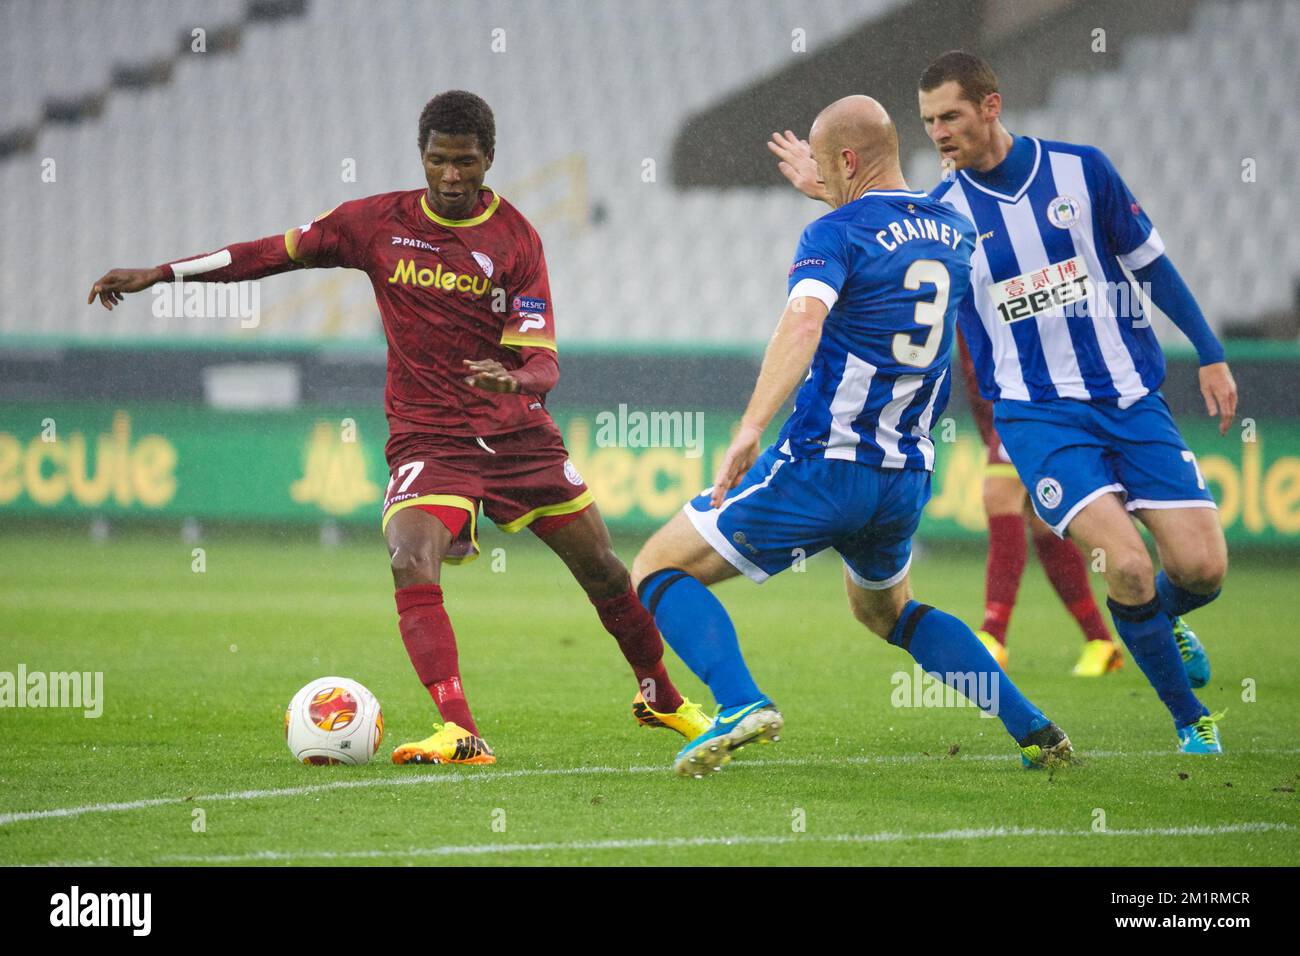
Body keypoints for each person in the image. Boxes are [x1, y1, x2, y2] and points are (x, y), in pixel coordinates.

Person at [88, 90, 709, 765]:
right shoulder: (374, 222)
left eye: (465, 162)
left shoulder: (516, 239)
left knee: (602, 569)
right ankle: (459, 729)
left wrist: (518, 380)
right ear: (422, 156)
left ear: (488, 160)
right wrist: (164, 274)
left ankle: (662, 698)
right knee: (409, 555)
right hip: (429, 437)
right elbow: (271, 253)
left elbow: (541, 357)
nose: (450, 176)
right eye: (438, 160)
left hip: (518, 437)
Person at [770, 51, 1232, 753]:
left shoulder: (1084, 172)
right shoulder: (946, 215)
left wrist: (1212, 352)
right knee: (1130, 567)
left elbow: (1153, 268)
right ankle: (1188, 720)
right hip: (1036, 414)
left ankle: (1163, 618)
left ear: (991, 105)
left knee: (1201, 570)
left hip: (1132, 399)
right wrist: (832, 190)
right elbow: (878, 238)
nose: (939, 133)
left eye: (950, 115)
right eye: (927, 122)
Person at [632, 95, 1072, 778]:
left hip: (823, 464)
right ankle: (1033, 727)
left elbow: (805, 322)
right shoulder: (954, 230)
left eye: (828, 166)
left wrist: (751, 426)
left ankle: (740, 701)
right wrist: (835, 191)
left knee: (658, 567)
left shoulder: (832, 235)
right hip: (901, 478)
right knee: (888, 612)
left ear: (844, 162)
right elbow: (891, 237)